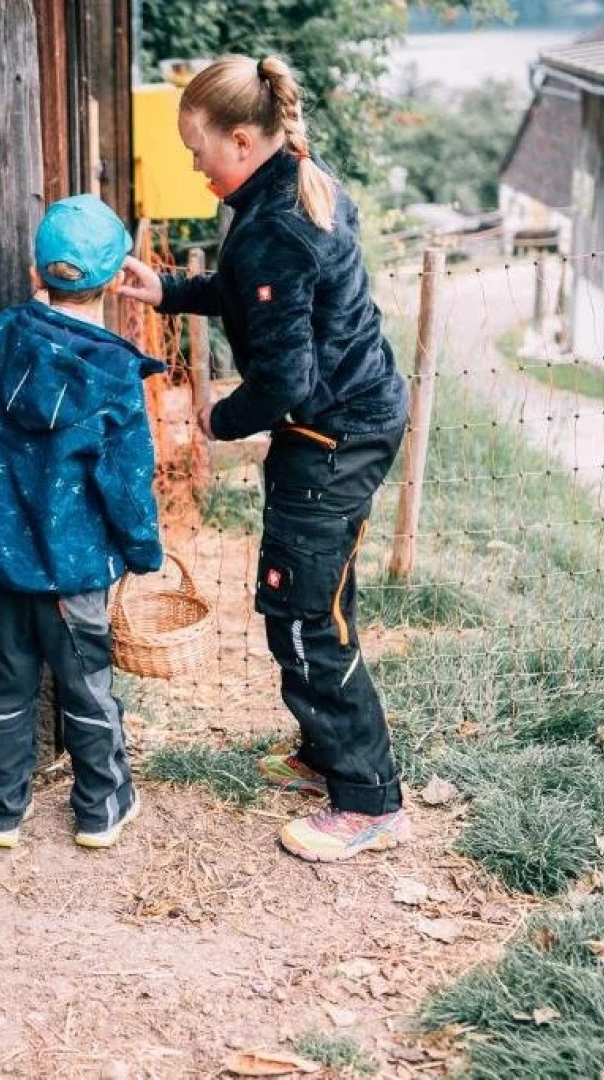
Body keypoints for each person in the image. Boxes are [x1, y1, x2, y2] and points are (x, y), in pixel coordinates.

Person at [119, 55, 412, 863]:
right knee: (313, 594)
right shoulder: (289, 185)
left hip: (332, 434)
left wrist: (220, 418)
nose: (193, 163)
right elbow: (259, 292)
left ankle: (369, 797)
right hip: (341, 421)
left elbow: (284, 377)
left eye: (197, 149)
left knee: (303, 611)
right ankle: (326, 753)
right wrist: (171, 291)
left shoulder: (279, 219)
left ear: (241, 138)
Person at [0, 194, 164, 850]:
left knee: (7, 691)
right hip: (75, 575)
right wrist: (143, 551)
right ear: (114, 282)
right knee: (88, 692)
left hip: (6, 566)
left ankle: (0, 812)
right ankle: (101, 809)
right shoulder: (114, 376)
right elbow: (127, 483)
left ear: (33, 272)